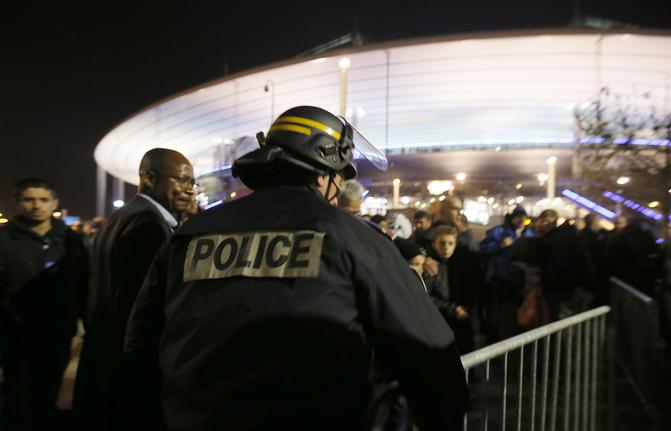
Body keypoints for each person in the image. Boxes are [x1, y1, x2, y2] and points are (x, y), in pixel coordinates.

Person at [125, 106, 468, 430]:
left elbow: (140, 343)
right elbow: (429, 353)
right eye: (339, 175)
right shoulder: (353, 239)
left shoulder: (189, 234)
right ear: (323, 174)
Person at [74, 148, 195, 430]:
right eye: (182, 180)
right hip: (129, 363)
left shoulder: (122, 217)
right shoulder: (150, 225)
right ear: (150, 178)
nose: (190, 190)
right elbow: (142, 306)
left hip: (104, 351)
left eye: (193, 183)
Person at [0, 178, 89, 430]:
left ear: (54, 203)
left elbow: (83, 284)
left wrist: (85, 322)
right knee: (16, 396)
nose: (36, 205)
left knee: (47, 393)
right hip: (15, 334)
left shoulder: (71, 240)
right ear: (17, 203)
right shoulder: (4, 239)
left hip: (58, 333)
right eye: (29, 199)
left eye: (43, 199)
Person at [479, 206, 529, 341]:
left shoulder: (528, 233)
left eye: (524, 218)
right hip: (498, 279)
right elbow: (482, 248)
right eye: (519, 217)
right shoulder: (498, 232)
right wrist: (500, 245)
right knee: (495, 314)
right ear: (513, 218)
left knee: (515, 315)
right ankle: (492, 344)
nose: (521, 220)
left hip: (520, 282)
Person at [423, 225, 475, 354]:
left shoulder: (460, 261)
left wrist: (466, 307)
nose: (446, 247)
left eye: (451, 243)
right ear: (434, 244)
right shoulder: (429, 266)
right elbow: (425, 296)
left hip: (461, 316)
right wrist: (452, 309)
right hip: (440, 321)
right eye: (442, 243)